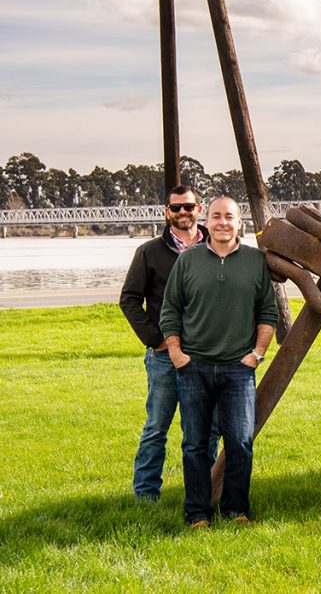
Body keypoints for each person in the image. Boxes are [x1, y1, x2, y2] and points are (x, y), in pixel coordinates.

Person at [160, 196, 278, 527]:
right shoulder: (188, 260)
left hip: (238, 369)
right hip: (193, 367)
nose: (222, 222)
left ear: (240, 223)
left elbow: (267, 312)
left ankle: (235, 509)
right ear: (206, 222)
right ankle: (197, 512)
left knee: (240, 442)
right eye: (216, 216)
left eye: (229, 216)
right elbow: (170, 310)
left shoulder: (255, 262)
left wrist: (256, 354)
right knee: (195, 444)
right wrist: (177, 354)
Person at [119, 185, 219, 502]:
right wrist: (156, 340)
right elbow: (130, 300)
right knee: (156, 427)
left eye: (188, 207)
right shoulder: (149, 252)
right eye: (176, 208)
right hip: (164, 357)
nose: (183, 213)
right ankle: (146, 494)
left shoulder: (219, 248)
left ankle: (204, 489)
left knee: (207, 430)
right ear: (167, 212)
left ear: (199, 210)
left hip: (208, 355)